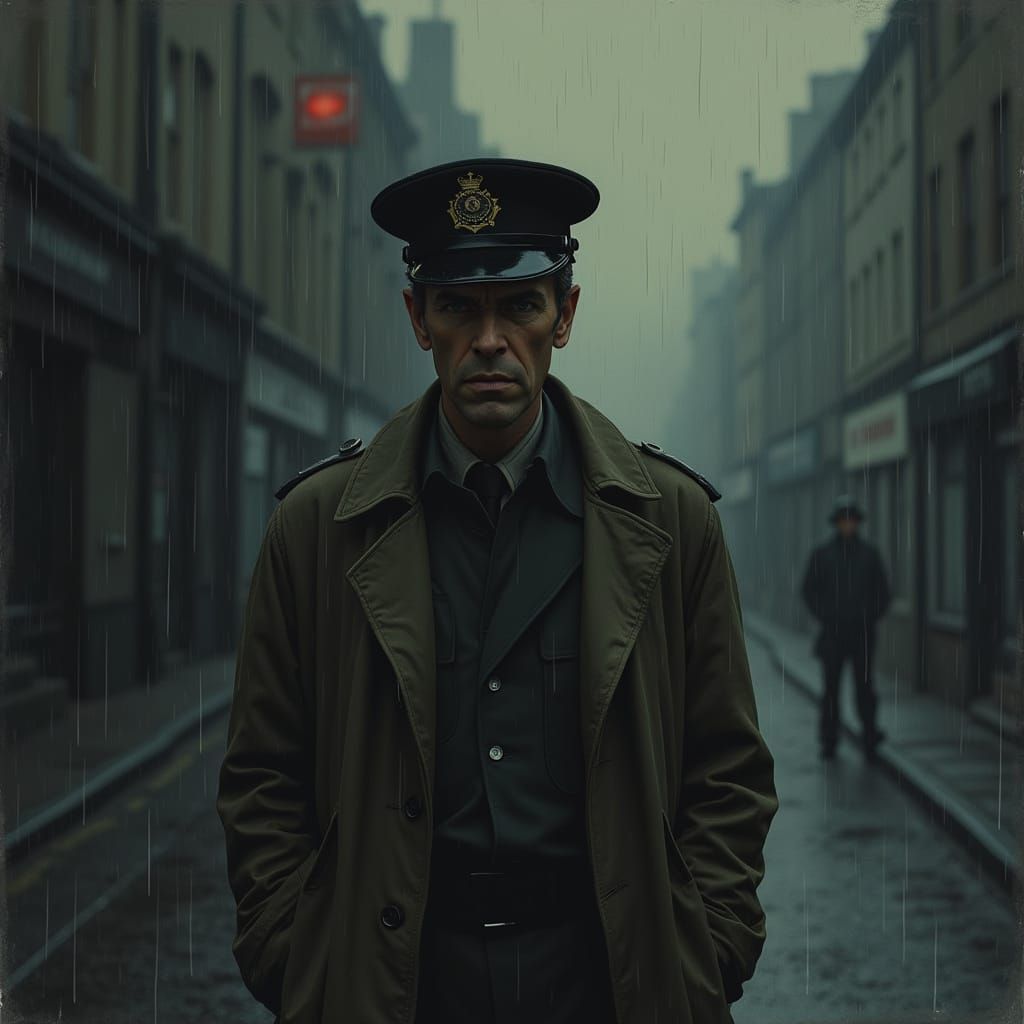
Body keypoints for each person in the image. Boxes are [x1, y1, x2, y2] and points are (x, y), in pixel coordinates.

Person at [216, 157, 778, 1024]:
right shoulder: (317, 529)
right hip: (397, 981)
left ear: (565, 315)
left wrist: (706, 944)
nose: (489, 340)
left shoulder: (671, 522)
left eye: (519, 305)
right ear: (418, 317)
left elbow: (729, 770)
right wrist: (298, 952)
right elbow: (262, 774)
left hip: (607, 979)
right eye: (458, 307)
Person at [800, 494, 891, 761]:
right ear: (837, 523)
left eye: (852, 520)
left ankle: (870, 736)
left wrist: (869, 616)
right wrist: (825, 615)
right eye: (843, 520)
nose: (848, 525)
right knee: (831, 689)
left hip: (862, 634)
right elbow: (808, 590)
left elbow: (883, 592)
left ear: (857, 523)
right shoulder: (823, 554)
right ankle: (829, 739)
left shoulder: (869, 555)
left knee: (865, 688)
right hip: (833, 634)